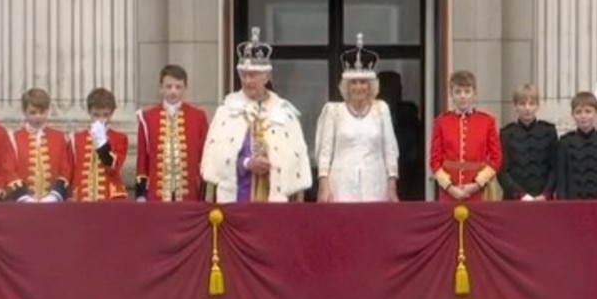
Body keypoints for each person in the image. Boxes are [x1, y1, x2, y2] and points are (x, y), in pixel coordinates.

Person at [201, 28, 312, 203]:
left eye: (252, 76)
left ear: (266, 77)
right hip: (237, 200)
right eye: (244, 75)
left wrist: (274, 164)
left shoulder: (284, 112)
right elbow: (215, 160)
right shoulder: (226, 111)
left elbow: (295, 161)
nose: (247, 81)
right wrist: (246, 164)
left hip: (274, 204)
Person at [314, 35, 399, 203]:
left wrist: (392, 186)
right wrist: (324, 187)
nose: (358, 87)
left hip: (375, 184)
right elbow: (324, 152)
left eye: (363, 82)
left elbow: (390, 149)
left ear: (371, 85)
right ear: (346, 86)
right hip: (341, 185)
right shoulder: (333, 111)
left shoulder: (381, 109)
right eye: (354, 82)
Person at [134, 65, 208, 202]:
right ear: (160, 88)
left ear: (185, 88)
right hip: (157, 194)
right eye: (168, 87)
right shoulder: (147, 118)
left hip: (190, 194)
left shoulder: (198, 117)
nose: (173, 92)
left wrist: (205, 193)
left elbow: (206, 156)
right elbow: (142, 158)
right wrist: (141, 193)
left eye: (178, 87)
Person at [429, 70, 502, 202]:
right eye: (458, 92)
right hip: (449, 193)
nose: (463, 96)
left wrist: (477, 184)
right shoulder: (441, 122)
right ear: (451, 94)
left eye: (467, 91)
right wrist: (450, 187)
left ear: (474, 93)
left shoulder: (487, 121)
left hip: (478, 192)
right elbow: (435, 161)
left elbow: (496, 158)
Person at [555, 92, 597, 200]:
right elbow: (562, 179)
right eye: (578, 112)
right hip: (573, 203)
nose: (583, 116)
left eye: (588, 111)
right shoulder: (565, 142)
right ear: (572, 114)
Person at [11, 88, 72, 202]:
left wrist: (54, 195)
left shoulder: (60, 137)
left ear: (48, 111)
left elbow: (65, 169)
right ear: (25, 112)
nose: (38, 116)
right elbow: (9, 170)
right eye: (33, 112)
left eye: (42, 112)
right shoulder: (14, 138)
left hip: (53, 204)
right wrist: (24, 197)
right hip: (22, 205)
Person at [498, 83, 557, 201]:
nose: (527, 108)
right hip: (515, 200)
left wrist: (546, 194)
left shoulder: (548, 131)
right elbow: (502, 171)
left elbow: (555, 168)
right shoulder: (506, 133)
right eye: (522, 104)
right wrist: (520, 195)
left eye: (531, 103)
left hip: (543, 199)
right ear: (515, 106)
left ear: (537, 105)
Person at [71, 88, 129, 201]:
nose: (101, 119)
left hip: (110, 198)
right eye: (96, 115)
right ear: (89, 112)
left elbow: (113, 168)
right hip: (82, 198)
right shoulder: (76, 139)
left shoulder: (120, 138)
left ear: (112, 113)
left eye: (105, 115)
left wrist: (102, 143)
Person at [378, 70, 425, 200]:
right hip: (377, 172)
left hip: (408, 173)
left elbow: (417, 142)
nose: (392, 92)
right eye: (387, 87)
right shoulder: (370, 114)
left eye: (396, 87)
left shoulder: (408, 113)